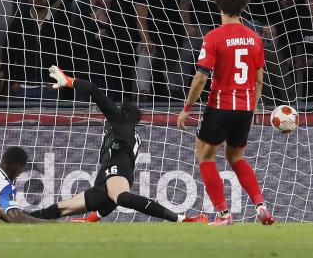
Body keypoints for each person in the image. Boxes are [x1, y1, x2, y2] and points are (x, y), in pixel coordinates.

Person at [30, 66, 208, 224]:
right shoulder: (128, 135)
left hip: (115, 170)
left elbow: (93, 90)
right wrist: (93, 218)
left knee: (122, 197)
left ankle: (183, 219)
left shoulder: (120, 122)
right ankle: (15, 220)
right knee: (61, 209)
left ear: (122, 114)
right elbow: (112, 197)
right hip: (105, 181)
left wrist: (69, 81)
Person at [176, 0, 275, 226]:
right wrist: (252, 108)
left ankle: (223, 214)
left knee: (206, 156)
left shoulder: (213, 37)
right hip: (245, 107)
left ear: (218, 5)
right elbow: (259, 79)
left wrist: (187, 108)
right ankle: (261, 206)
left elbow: (200, 77)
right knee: (237, 157)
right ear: (243, 7)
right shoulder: (255, 38)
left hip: (220, 105)